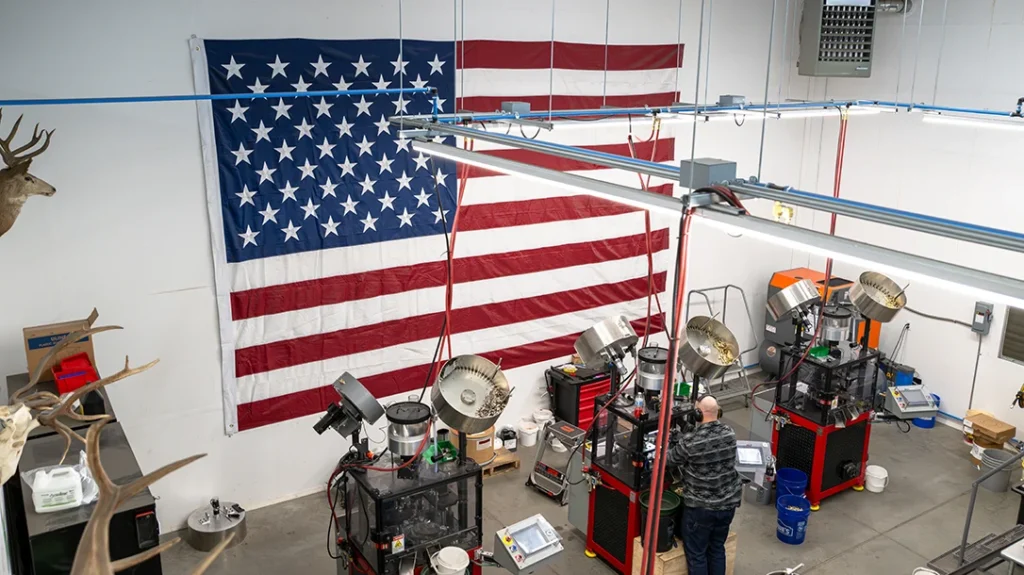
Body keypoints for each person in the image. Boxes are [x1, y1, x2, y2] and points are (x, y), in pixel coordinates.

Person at [666, 396, 742, 575]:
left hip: (701, 509)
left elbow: (669, 460)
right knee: (716, 548)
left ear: (697, 414)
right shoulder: (730, 433)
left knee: (697, 554)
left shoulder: (691, 441)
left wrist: (672, 442)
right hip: (727, 505)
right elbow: (711, 445)